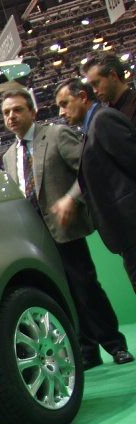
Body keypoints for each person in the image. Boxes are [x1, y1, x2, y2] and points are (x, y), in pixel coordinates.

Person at [0, 89, 133, 368]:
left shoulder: (56, 135)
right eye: (6, 112)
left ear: (32, 112)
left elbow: (87, 168)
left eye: (17, 110)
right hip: (37, 240)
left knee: (86, 288)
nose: (11, 116)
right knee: (64, 295)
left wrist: (71, 199)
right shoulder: (8, 156)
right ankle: (87, 351)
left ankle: (115, 344)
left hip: (65, 229)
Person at [53, 79, 136, 293]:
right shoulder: (92, 127)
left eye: (64, 103)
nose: (61, 112)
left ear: (82, 97)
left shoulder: (103, 120)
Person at [82, 53, 136, 124]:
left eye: (96, 83)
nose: (94, 91)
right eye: (92, 86)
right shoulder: (108, 113)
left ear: (113, 75)